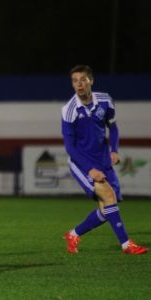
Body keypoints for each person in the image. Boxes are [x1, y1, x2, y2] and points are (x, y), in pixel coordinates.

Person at [61, 65, 148, 255]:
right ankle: (126, 244)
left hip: (103, 160)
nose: (79, 84)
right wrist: (89, 169)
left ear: (91, 80)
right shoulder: (69, 110)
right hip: (81, 163)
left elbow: (113, 127)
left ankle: (73, 234)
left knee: (108, 206)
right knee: (109, 198)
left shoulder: (105, 100)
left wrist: (114, 150)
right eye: (75, 81)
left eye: (83, 79)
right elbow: (70, 148)